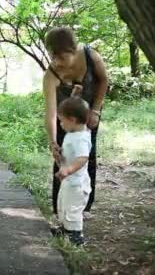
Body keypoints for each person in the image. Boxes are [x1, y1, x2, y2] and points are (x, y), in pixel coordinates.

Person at [43, 26, 109, 217]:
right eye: (52, 57)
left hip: (88, 115)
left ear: (73, 51)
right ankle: (60, 208)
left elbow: (104, 80)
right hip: (65, 120)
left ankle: (84, 207)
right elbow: (50, 113)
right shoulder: (51, 75)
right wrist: (52, 142)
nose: (56, 62)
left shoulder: (90, 56)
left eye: (61, 57)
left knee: (87, 155)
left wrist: (96, 110)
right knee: (62, 157)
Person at [51, 88, 92, 245]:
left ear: (73, 120)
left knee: (72, 210)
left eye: (62, 120)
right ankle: (65, 228)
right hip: (69, 182)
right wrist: (61, 155)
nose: (60, 124)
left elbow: (82, 158)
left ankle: (76, 237)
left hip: (77, 183)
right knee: (63, 205)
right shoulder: (74, 133)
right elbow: (73, 153)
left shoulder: (81, 138)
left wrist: (68, 169)